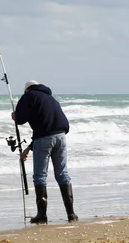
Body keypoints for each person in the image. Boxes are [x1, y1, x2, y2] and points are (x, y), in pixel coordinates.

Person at [11, 80, 78, 224]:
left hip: (44, 139)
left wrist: (15, 116)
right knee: (62, 174)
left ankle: (42, 215)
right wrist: (29, 148)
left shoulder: (29, 96)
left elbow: (21, 119)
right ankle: (71, 214)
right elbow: (45, 126)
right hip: (61, 137)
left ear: (26, 90)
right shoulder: (51, 99)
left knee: (40, 176)